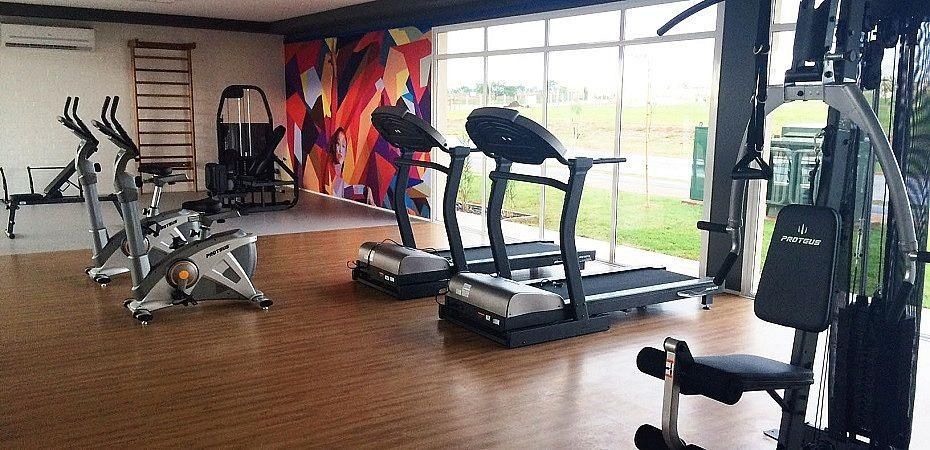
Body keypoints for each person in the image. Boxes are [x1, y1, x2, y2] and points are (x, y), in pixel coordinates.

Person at [328, 128, 375, 205]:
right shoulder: (329, 174)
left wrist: (365, 190)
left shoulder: (340, 181)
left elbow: (348, 190)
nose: (340, 150)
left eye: (343, 146)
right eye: (338, 144)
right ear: (333, 146)